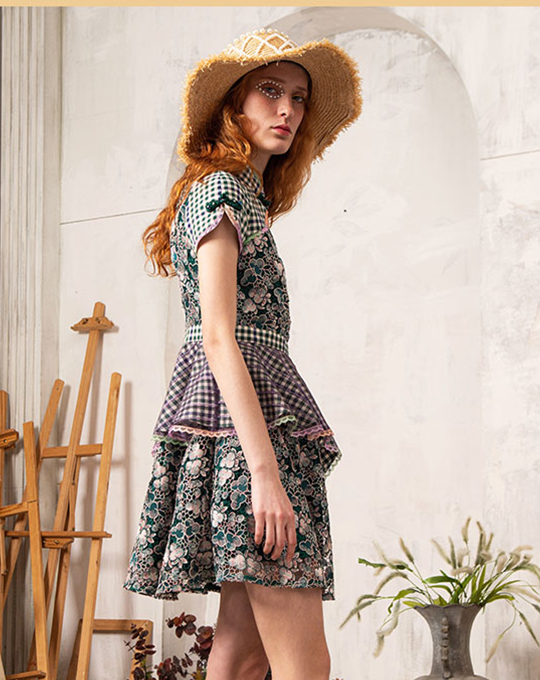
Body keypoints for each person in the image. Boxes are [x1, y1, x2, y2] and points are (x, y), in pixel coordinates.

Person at [124, 28, 362, 680]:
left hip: (247, 432)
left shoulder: (241, 197)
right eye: (270, 91)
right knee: (304, 664)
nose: (287, 109)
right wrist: (264, 474)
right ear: (233, 104)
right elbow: (217, 336)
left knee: (242, 655)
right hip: (250, 445)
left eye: (299, 97)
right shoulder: (222, 192)